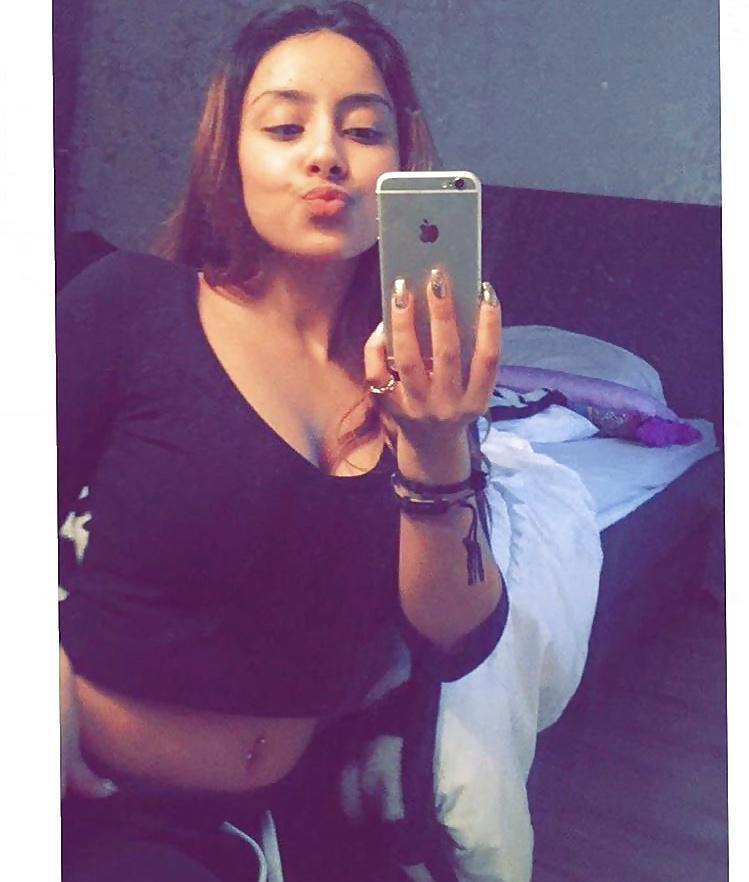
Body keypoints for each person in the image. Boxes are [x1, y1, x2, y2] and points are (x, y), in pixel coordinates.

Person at [57, 3, 507, 879]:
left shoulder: (417, 379)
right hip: (92, 800)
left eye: (363, 130)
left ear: (402, 164)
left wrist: (436, 444)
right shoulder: (131, 304)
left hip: (279, 822)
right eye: (285, 126)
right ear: (229, 155)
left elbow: (455, 642)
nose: (326, 155)